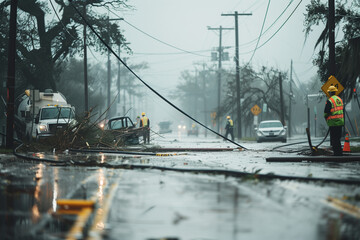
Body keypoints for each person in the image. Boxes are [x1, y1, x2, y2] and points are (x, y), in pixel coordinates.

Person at [324, 86, 344, 156]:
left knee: (334, 139)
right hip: (340, 122)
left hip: (333, 123)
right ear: (335, 92)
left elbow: (326, 112)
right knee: (338, 139)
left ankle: (337, 154)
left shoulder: (330, 101)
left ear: (330, 93)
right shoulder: (339, 99)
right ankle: (339, 153)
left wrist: (326, 118)